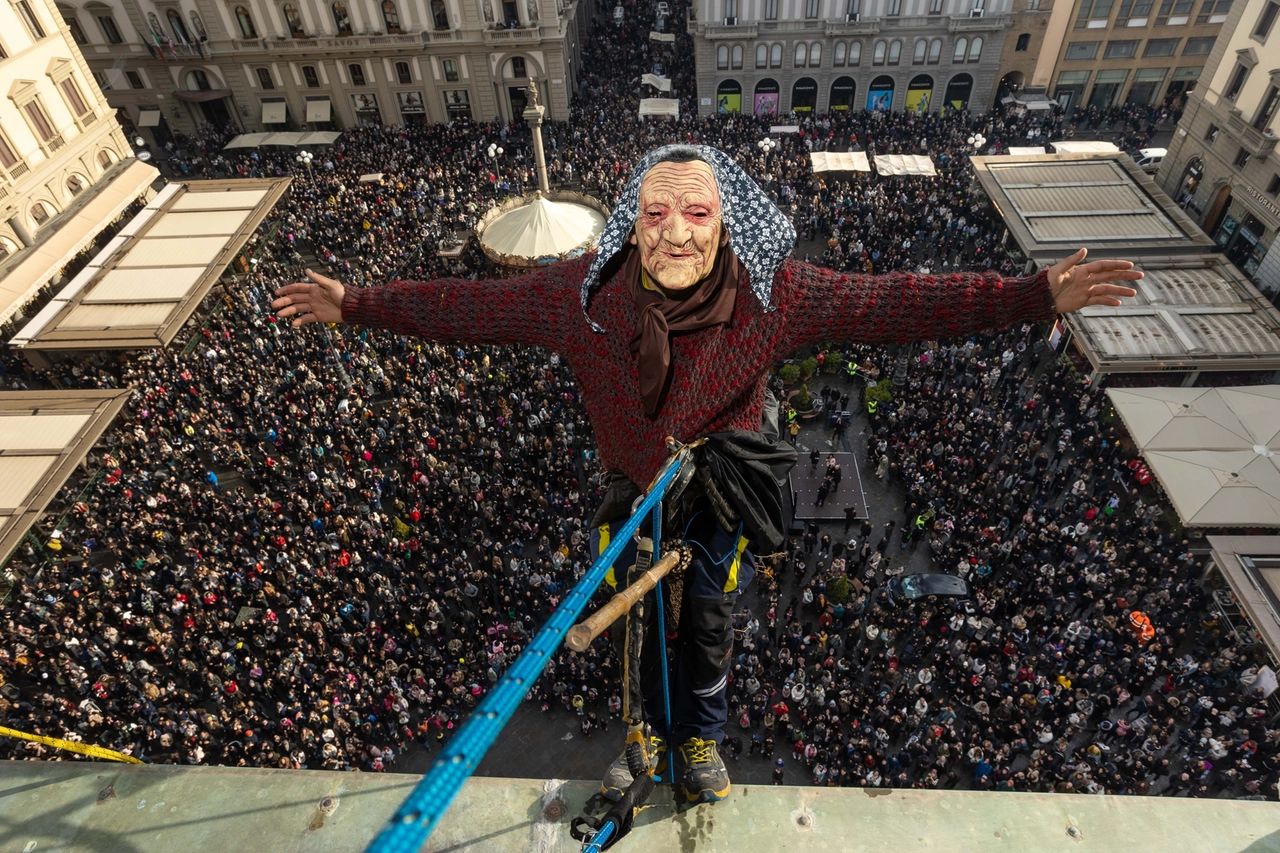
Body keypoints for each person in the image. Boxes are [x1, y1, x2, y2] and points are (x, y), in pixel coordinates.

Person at [273, 143, 1139, 804]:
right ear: (630, 223)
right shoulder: (577, 302)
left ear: (727, 223)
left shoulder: (775, 297)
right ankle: (648, 730)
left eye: (696, 212)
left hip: (722, 485)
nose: (676, 232)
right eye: (656, 214)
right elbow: (465, 307)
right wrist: (359, 304)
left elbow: (893, 303)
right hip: (633, 492)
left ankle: (699, 740)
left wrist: (1028, 296)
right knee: (640, 622)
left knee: (711, 618)